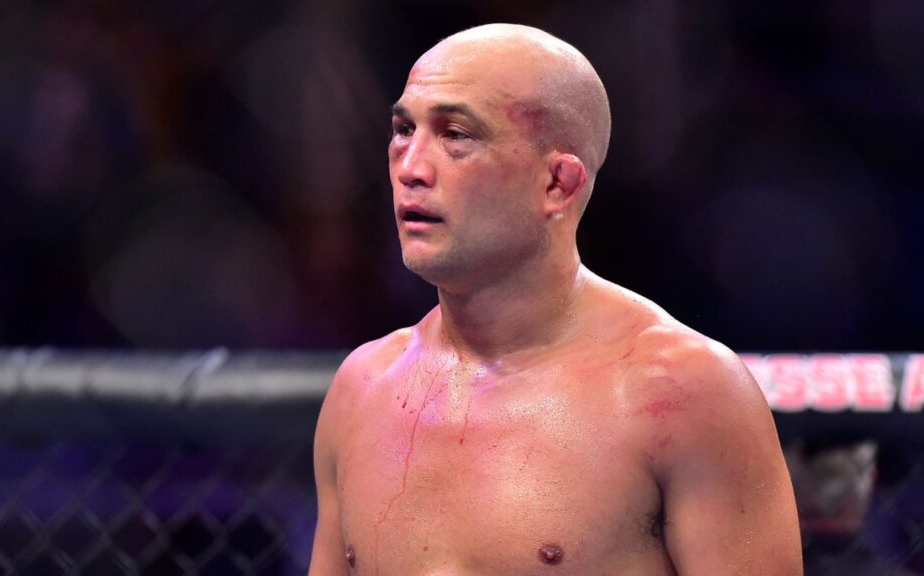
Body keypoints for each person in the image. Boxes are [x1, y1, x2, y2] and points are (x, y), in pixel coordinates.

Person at [309, 23, 802, 575]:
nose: (410, 168)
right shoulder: (362, 391)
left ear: (558, 185)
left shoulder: (683, 392)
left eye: (455, 135)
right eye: (404, 130)